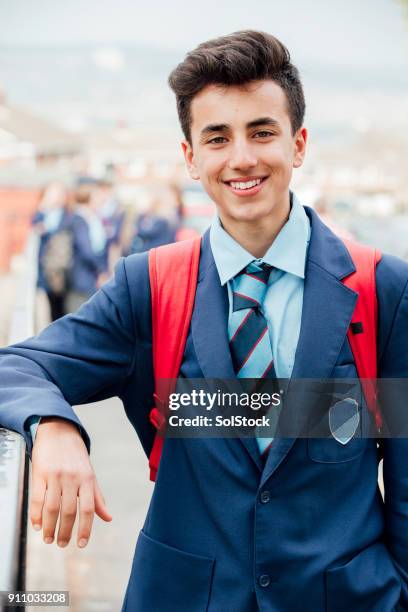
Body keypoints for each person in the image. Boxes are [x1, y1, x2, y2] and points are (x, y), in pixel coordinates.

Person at [1, 31, 408, 612]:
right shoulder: (148, 286)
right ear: (191, 157)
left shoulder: (381, 288)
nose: (242, 158)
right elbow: (17, 366)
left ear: (298, 143)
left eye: (262, 132)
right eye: (217, 138)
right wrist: (54, 426)